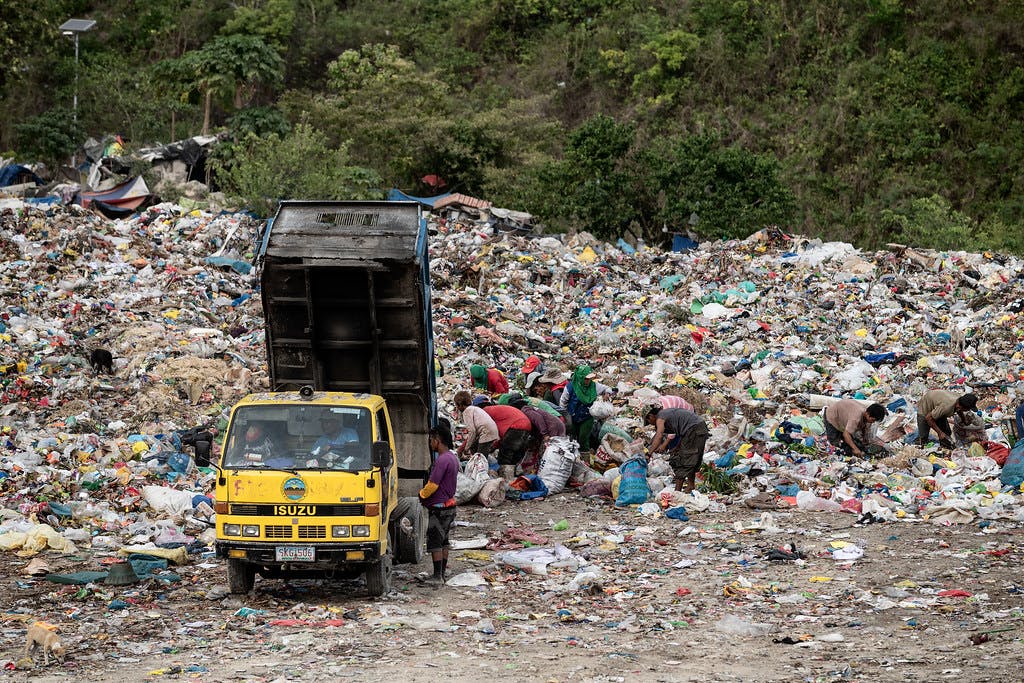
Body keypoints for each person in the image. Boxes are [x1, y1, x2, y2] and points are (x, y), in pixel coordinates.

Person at [420, 423, 459, 586]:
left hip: (439, 507)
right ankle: (441, 574)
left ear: (437, 440)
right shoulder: (453, 458)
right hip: (450, 506)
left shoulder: (442, 460)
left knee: (435, 541)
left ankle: (437, 576)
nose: (430, 443)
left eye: (431, 440)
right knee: (444, 541)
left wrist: (421, 495)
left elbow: (433, 485)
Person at [643, 404, 709, 492]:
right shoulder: (667, 413)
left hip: (694, 429)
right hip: (698, 427)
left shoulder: (660, 418)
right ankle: (690, 486)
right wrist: (677, 447)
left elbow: (659, 436)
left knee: (683, 459)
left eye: (648, 421)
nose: (650, 424)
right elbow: (682, 432)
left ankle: (677, 491)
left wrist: (649, 453)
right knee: (692, 457)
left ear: (651, 416)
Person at [559, 365, 614, 452]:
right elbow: (563, 402)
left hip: (587, 417)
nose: (588, 381)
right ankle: (573, 458)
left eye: (589, 379)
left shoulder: (594, 386)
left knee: (583, 438)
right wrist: (565, 417)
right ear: (580, 377)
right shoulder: (570, 387)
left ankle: (585, 458)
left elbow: (607, 388)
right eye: (586, 379)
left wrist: (607, 393)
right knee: (572, 438)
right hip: (572, 416)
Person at [510, 395, 566, 473]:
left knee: (549, 452)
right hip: (556, 425)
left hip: (553, 427)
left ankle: (549, 472)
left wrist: (545, 434)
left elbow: (538, 419)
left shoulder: (525, 410)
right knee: (553, 451)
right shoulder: (528, 408)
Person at [482, 401, 533, 480]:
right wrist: (493, 447)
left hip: (516, 426)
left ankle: (505, 480)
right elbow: (500, 438)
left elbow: (487, 433)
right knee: (515, 456)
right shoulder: (495, 413)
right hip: (525, 424)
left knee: (505, 455)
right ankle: (514, 480)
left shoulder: (485, 413)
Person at [453, 390, 499, 458]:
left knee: (480, 458)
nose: (457, 408)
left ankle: (481, 467)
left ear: (460, 405)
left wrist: (466, 449)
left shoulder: (467, 411)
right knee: (474, 447)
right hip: (492, 431)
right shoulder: (474, 408)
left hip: (486, 433)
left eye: (457, 405)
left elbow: (472, 432)